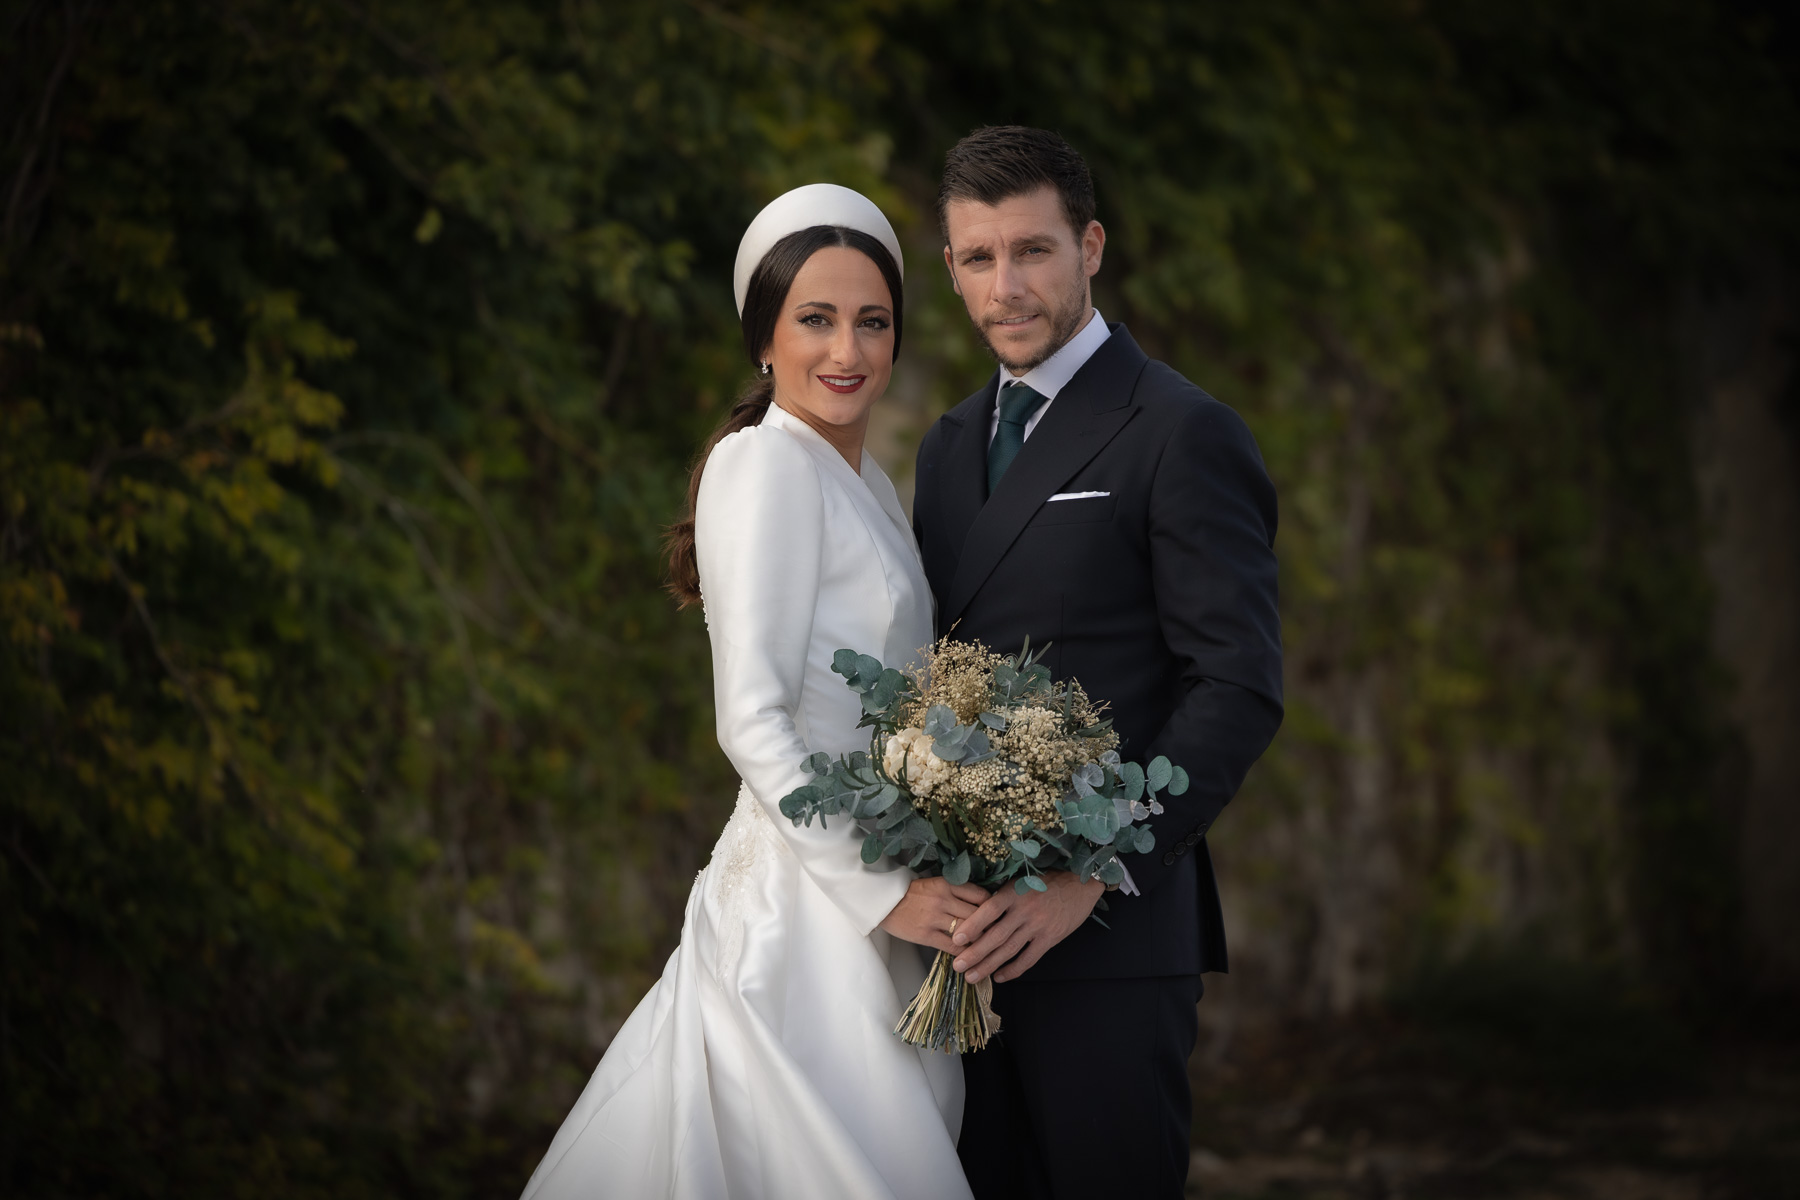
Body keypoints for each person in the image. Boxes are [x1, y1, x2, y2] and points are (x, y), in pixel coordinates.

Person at [519, 185, 983, 1200]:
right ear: (763, 339)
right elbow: (753, 719)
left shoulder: (861, 479)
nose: (847, 348)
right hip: (809, 913)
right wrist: (883, 893)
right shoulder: (764, 462)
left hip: (884, 894)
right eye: (814, 319)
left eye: (872, 321)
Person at [911, 126, 1284, 1199]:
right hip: (967, 943)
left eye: (1033, 251)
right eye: (978, 259)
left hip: (1111, 937)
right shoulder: (942, 448)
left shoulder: (1180, 431)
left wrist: (1089, 874)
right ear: (949, 268)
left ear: (1092, 246)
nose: (1006, 286)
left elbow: (1237, 686)